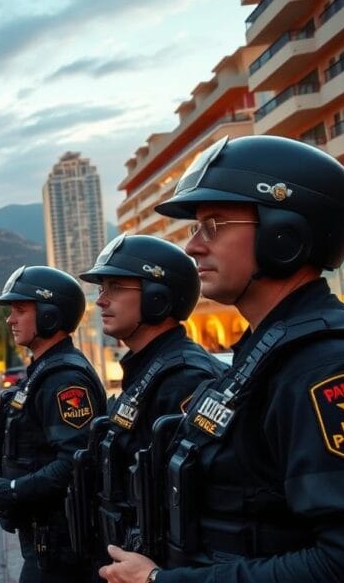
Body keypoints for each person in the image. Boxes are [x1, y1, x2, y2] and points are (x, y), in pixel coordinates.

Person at [98, 135, 344, 583]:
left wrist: (160, 582)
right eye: (196, 227)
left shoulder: (323, 366)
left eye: (214, 224)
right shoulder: (262, 355)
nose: (193, 246)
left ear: (284, 235)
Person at [70, 234, 228, 564]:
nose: (101, 300)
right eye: (101, 289)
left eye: (114, 287)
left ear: (158, 298)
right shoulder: (147, 371)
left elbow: (196, 502)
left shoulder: (185, 378)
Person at [0, 265, 107, 583]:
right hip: (45, 542)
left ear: (50, 316)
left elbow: (75, 462)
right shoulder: (43, 372)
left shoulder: (65, 379)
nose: (10, 319)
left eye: (20, 310)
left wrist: (12, 490)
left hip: (61, 549)